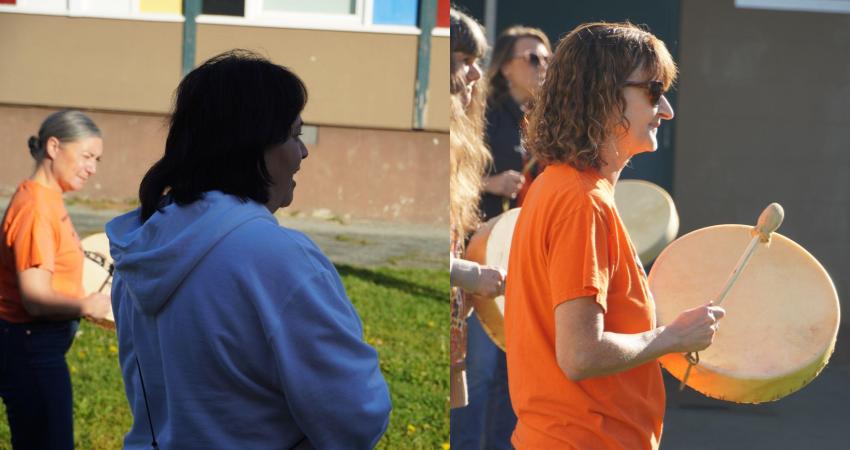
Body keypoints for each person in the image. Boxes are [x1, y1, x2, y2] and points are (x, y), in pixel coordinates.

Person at [105, 50, 391, 449]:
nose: (303, 152)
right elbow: (356, 415)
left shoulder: (142, 245)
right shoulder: (276, 258)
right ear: (255, 144)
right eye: (295, 135)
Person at [504, 22, 726, 449]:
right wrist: (675, 336)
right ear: (604, 94)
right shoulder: (582, 201)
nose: (666, 110)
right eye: (653, 90)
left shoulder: (559, 184)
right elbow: (581, 354)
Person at [451, 25, 552, 450]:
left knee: (513, 373)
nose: (543, 66)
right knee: (480, 370)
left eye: (548, 59)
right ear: (506, 68)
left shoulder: (546, 120)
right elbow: (457, 181)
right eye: (533, 58)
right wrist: (490, 184)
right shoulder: (481, 113)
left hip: (522, 257)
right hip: (478, 253)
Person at [0, 110, 112, 449]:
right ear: (53, 146)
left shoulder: (47, 199)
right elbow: (34, 295)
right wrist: (87, 303)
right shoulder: (36, 208)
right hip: (31, 348)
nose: (92, 167)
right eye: (86, 156)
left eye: (97, 159)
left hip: (35, 346)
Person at [448, 9, 505, 409]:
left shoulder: (459, 144)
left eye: (477, 62)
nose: (475, 75)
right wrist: (470, 275)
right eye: (465, 62)